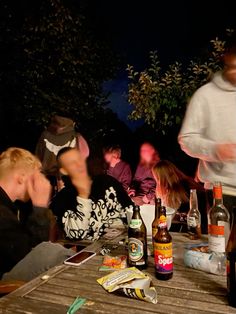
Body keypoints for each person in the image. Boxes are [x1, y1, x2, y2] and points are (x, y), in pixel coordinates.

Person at [178, 40, 236, 213]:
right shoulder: (205, 95)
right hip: (222, 190)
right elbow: (187, 139)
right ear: (226, 62)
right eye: (233, 66)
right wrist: (215, 149)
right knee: (223, 241)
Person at [0, 148, 73, 281]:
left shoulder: (9, 207)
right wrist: (40, 207)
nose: (42, 181)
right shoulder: (2, 212)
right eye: (37, 176)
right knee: (51, 252)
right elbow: (28, 253)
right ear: (22, 177)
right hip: (4, 287)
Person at [50, 147, 134, 241]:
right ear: (63, 170)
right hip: (89, 253)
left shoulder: (108, 182)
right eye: (72, 163)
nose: (79, 164)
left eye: (79, 159)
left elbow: (132, 212)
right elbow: (76, 235)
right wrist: (83, 196)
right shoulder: (62, 199)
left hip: (121, 249)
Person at [35, 114, 89, 191]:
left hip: (45, 180)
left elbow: (37, 157)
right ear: (72, 123)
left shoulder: (44, 135)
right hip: (68, 180)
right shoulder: (76, 137)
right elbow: (85, 154)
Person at [152, 160, 208, 233]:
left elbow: (169, 217)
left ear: (159, 178)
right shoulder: (188, 182)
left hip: (193, 229)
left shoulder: (175, 192)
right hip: (202, 224)